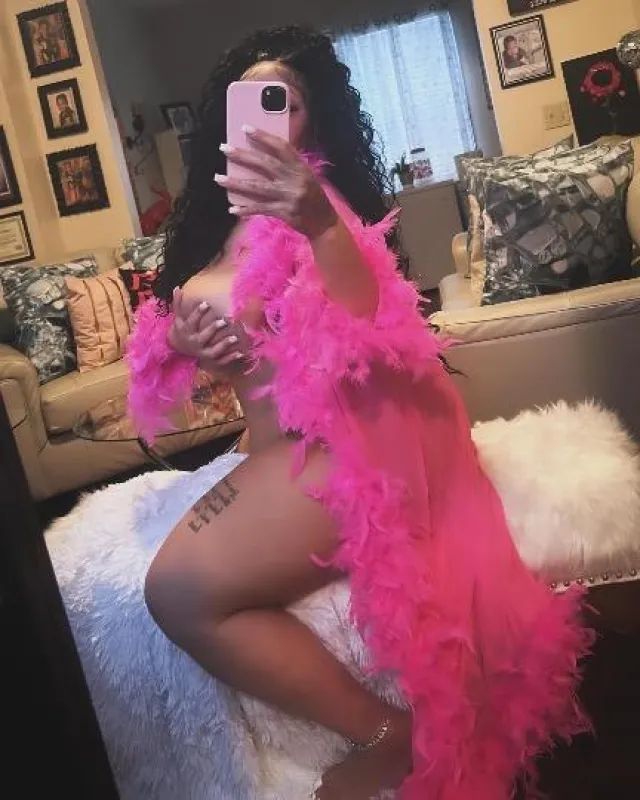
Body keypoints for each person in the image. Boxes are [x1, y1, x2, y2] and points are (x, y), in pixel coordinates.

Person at [127, 26, 592, 800]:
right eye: (252, 98)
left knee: (174, 590)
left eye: (286, 101)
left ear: (316, 122)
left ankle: (386, 731)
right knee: (170, 589)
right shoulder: (216, 225)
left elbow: (366, 321)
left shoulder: (322, 212)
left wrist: (318, 223)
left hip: (341, 450)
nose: (268, 115)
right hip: (267, 448)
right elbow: (173, 361)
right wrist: (181, 340)